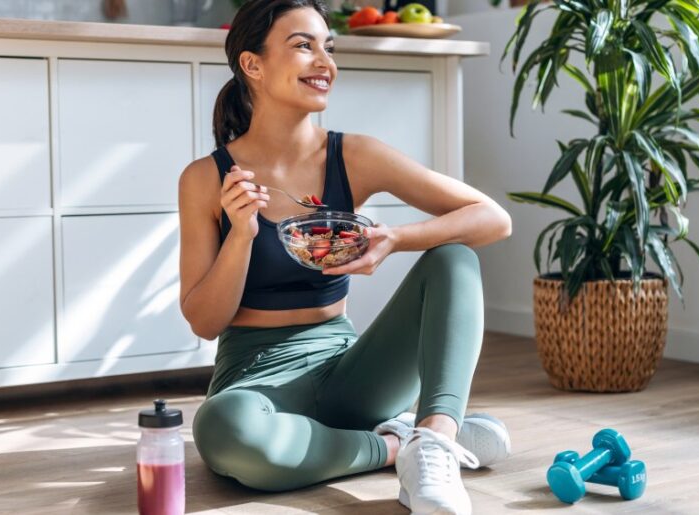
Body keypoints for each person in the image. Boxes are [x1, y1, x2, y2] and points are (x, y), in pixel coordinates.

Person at [178, 1, 513, 513]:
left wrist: (397, 238)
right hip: (255, 379)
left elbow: (492, 218)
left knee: (453, 258)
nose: (324, 62)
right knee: (224, 430)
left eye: (328, 47)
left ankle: (436, 439)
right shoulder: (206, 179)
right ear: (253, 65)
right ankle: (397, 446)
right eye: (303, 46)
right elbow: (205, 321)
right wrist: (241, 234)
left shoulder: (353, 156)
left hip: (350, 372)